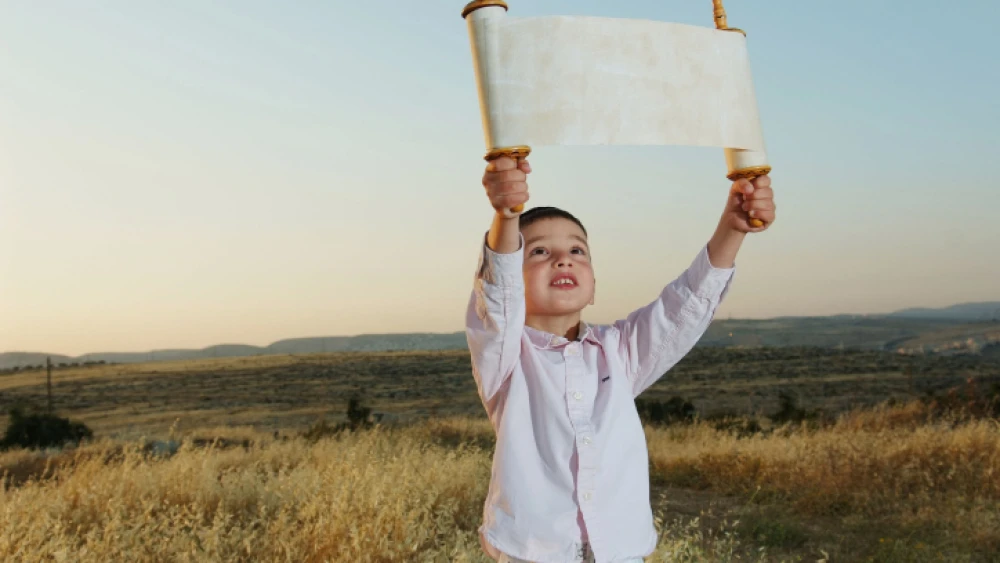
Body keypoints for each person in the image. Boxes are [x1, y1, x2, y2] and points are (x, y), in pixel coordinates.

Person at [465, 155, 776, 563]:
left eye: (578, 250)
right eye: (538, 251)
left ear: (594, 286)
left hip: (621, 551)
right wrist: (506, 216)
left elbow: (684, 307)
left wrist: (733, 227)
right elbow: (497, 293)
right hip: (534, 553)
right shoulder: (504, 357)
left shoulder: (620, 351)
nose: (563, 258)